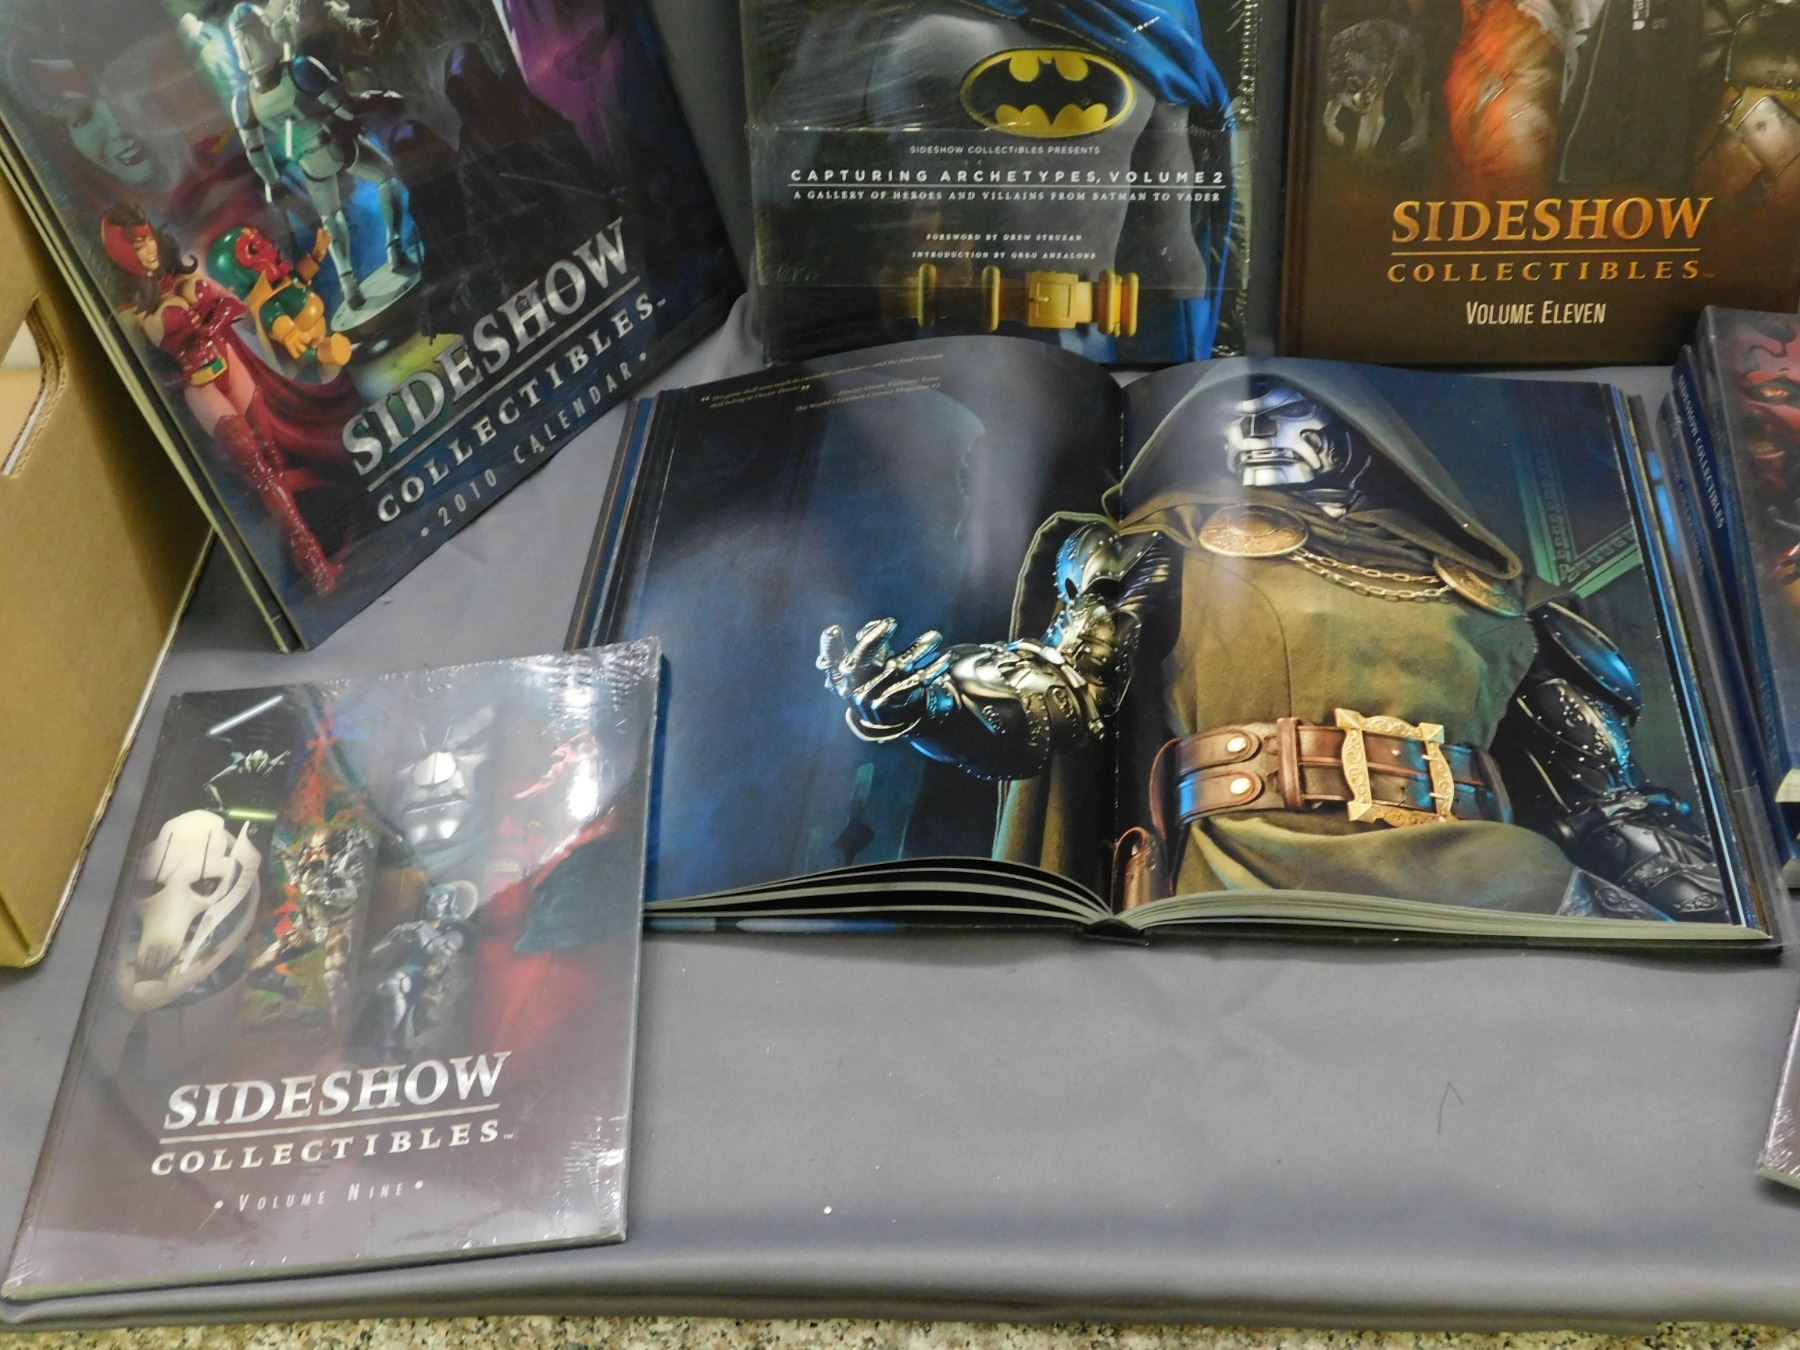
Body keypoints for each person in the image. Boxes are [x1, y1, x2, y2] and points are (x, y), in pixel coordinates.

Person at [818, 364, 1726, 921]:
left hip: (1496, 880)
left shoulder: (1500, 591)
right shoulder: (1160, 546)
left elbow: (1607, 805)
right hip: (1252, 872)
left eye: (1282, 409)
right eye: (1228, 423)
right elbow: (1062, 693)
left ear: (1356, 434)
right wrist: (929, 701)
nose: (1249, 433)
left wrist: (1701, 909)